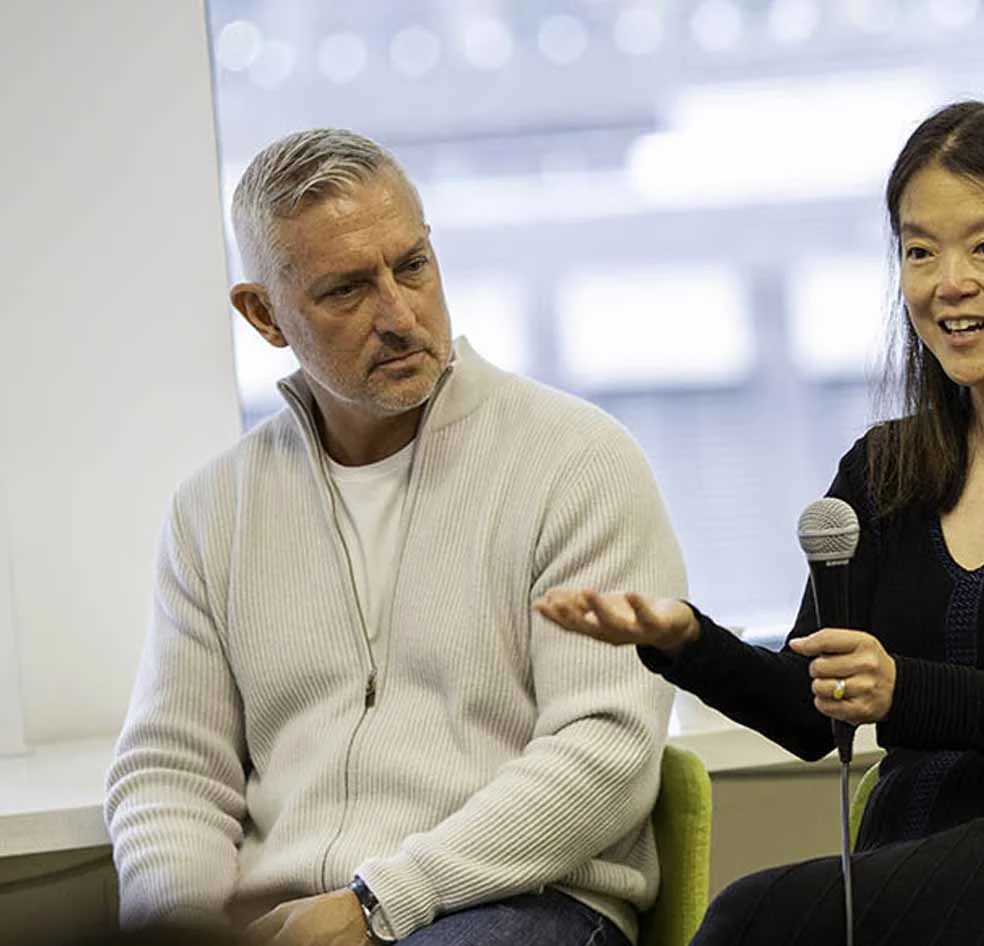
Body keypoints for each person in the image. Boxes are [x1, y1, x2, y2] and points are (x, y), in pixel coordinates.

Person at [537, 96, 984, 945]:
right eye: (919, 251)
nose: (949, 284)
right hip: (917, 855)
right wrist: (684, 640)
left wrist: (904, 688)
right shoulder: (884, 471)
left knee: (757, 918)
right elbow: (808, 710)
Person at [105, 128, 687, 946]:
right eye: (345, 290)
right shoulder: (215, 510)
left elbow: (605, 753)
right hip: (287, 922)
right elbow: (173, 774)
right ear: (264, 314)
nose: (399, 315)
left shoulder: (577, 462)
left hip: (518, 902)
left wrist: (380, 901)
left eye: (412, 266)